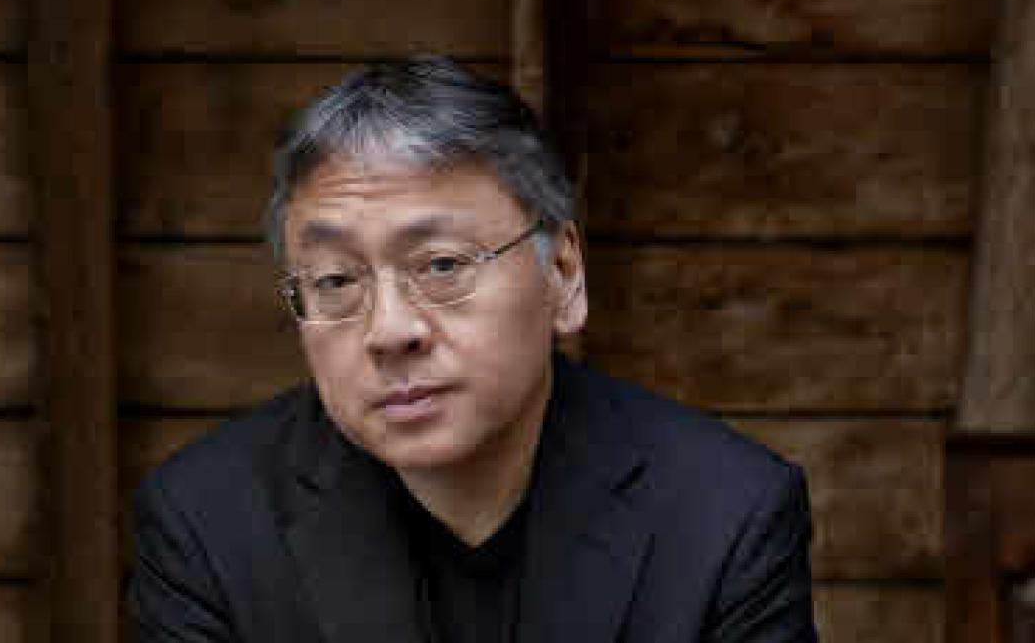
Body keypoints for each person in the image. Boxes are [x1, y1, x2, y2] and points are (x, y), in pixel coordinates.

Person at [128, 55, 819, 642]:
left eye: (442, 265)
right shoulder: (208, 523)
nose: (390, 331)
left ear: (563, 274)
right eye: (336, 280)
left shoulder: (724, 515)